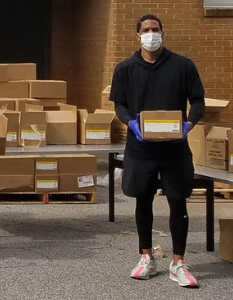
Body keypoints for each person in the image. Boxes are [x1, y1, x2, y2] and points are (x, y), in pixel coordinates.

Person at [112, 15, 204, 288]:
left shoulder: (182, 66)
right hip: (141, 149)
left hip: (175, 149)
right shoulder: (126, 68)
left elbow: (198, 101)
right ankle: (146, 257)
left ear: (163, 32)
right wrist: (131, 123)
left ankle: (179, 262)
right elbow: (120, 105)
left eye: (155, 29)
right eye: (145, 30)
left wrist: (188, 124)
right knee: (143, 200)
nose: (151, 34)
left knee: (178, 201)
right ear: (137, 36)